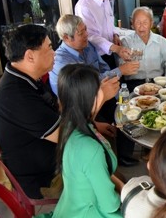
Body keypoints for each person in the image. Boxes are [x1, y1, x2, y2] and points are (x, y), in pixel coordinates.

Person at [49, 14, 140, 166]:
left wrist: (116, 90)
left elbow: (103, 67)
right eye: (81, 33)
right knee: (108, 124)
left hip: (99, 93)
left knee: (125, 107)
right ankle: (104, 163)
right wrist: (120, 71)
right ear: (66, 38)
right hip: (78, 106)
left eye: (85, 30)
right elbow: (89, 83)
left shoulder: (88, 46)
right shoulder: (61, 60)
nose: (86, 35)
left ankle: (125, 154)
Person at [0, 24, 59, 199]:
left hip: (50, 158)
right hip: (43, 179)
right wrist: (100, 99)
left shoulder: (27, 78)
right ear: (30, 56)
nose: (54, 53)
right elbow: (66, 134)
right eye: (50, 47)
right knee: (101, 168)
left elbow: (57, 107)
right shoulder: (16, 95)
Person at [51, 64, 122, 217]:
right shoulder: (90, 148)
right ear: (90, 98)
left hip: (71, 206)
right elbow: (110, 205)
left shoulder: (69, 124)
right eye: (99, 89)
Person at [75, 0, 130, 70]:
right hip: (96, 57)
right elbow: (90, 36)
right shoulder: (84, 6)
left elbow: (109, 22)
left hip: (110, 52)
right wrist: (116, 49)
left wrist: (115, 34)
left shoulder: (105, 0)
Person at [121, 6, 166, 91]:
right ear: (132, 24)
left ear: (151, 23)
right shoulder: (126, 42)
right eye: (138, 22)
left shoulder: (162, 42)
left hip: (158, 83)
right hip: (134, 85)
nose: (141, 26)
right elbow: (121, 66)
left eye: (145, 22)